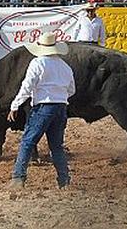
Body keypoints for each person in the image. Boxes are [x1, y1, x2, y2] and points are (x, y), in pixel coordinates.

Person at [8, 31, 75, 189]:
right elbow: (72, 90)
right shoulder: (65, 66)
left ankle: (18, 178)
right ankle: (64, 180)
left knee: (27, 142)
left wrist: (15, 105)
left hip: (43, 106)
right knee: (56, 146)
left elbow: (27, 86)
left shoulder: (37, 63)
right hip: (61, 107)